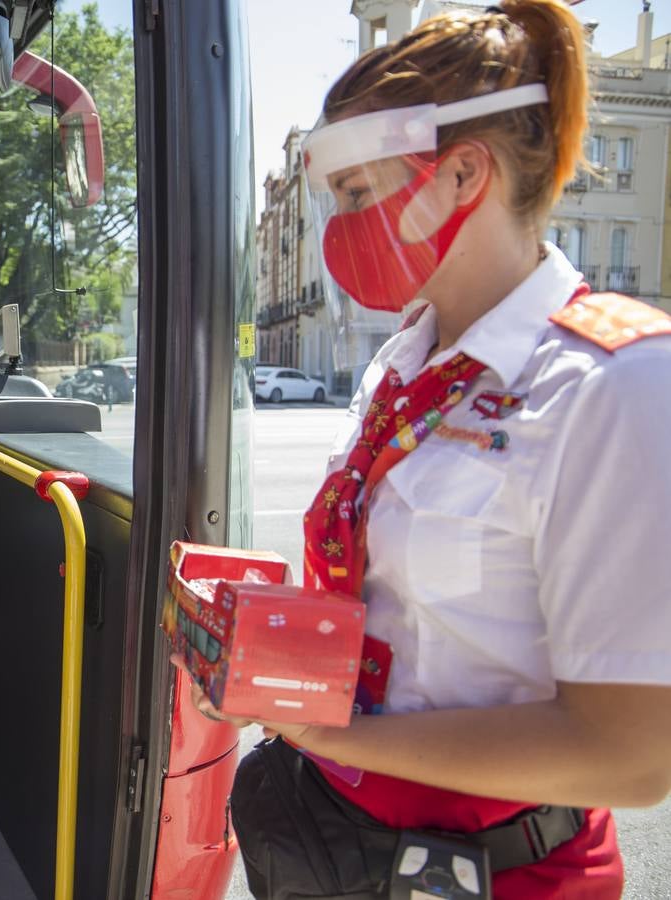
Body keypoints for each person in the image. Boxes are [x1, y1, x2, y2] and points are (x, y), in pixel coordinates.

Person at [185, 3, 671, 898]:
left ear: (461, 173)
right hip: (336, 844)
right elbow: (398, 614)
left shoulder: (614, 384)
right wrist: (265, 659)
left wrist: (334, 737)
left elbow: (630, 757)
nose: (340, 230)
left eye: (359, 195)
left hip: (497, 873)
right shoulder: (404, 363)